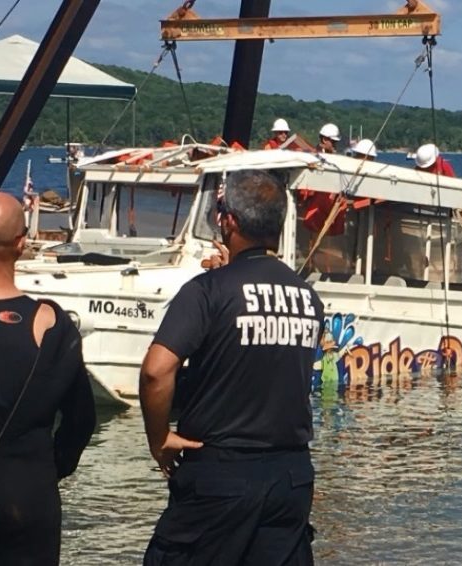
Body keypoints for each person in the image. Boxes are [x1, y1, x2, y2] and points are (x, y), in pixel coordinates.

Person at [140, 169, 325, 565]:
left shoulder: (207, 291)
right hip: (290, 476)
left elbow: (157, 370)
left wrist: (159, 438)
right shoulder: (308, 298)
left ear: (229, 222)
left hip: (221, 473)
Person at [0, 192, 96, 566]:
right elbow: (81, 419)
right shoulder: (52, 324)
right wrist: (53, 465)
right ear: (22, 244)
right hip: (27, 492)